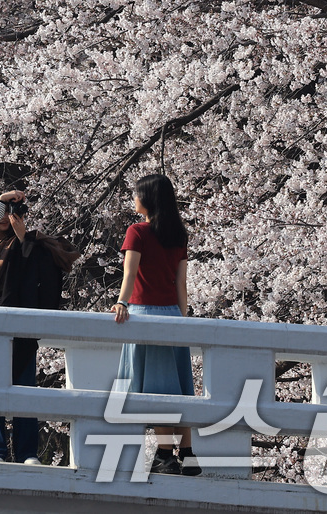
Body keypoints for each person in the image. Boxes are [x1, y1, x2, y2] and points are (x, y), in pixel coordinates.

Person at [0, 188, 76, 464]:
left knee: (25, 388)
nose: (5, 216)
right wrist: (3, 199)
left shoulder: (27, 242)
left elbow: (35, 275)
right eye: (0, 211)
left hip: (22, 324)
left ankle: (27, 452)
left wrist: (22, 237)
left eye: (10, 212)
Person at [109, 172, 201, 477]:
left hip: (145, 313)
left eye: (136, 194)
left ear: (147, 199)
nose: (134, 199)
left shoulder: (136, 232)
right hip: (173, 313)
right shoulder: (178, 236)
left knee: (159, 388)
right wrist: (183, 319)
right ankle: (187, 454)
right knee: (179, 387)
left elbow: (130, 274)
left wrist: (122, 302)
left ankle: (164, 455)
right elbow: (182, 283)